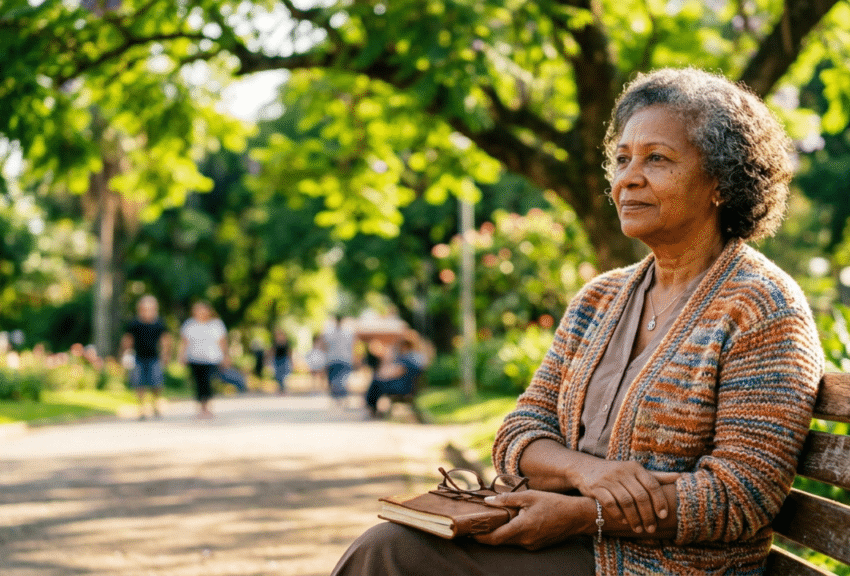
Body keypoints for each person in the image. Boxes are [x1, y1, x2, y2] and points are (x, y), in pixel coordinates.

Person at [331, 67, 824, 575]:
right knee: (387, 545)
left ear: (721, 181)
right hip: (569, 542)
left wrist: (586, 515)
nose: (629, 178)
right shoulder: (599, 298)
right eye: (622, 159)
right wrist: (585, 472)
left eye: (657, 159)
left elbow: (742, 492)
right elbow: (520, 432)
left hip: (667, 565)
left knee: (392, 558)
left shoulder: (761, 305)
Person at [120, 295, 171, 420]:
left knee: (156, 383)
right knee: (139, 383)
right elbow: (128, 339)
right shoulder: (134, 323)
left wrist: (165, 354)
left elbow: (165, 340)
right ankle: (142, 408)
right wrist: (124, 354)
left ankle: (155, 404)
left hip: (154, 357)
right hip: (138, 357)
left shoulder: (159, 323)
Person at [178, 301, 229, 419]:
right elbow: (184, 342)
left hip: (212, 359)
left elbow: (222, 342)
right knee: (198, 383)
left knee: (208, 382)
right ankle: (201, 408)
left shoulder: (216, 324)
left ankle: (207, 406)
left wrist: (226, 356)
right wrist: (181, 356)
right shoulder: (189, 324)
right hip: (194, 358)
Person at [364, 332, 429, 418]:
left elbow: (397, 372)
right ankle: (373, 408)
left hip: (402, 388)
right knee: (377, 382)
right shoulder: (419, 357)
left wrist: (384, 376)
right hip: (412, 387)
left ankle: (372, 408)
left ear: (404, 346)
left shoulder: (406, 358)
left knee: (376, 383)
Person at [323, 315, 357, 404]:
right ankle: (341, 398)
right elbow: (353, 346)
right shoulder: (348, 333)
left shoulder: (329, 333)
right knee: (342, 380)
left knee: (336, 380)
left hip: (334, 359)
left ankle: (337, 399)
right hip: (343, 359)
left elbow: (325, 345)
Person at [271, 328, 292, 395]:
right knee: (278, 375)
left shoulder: (286, 342)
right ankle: (280, 389)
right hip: (277, 359)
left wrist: (291, 360)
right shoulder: (275, 342)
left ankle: (282, 389)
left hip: (284, 359)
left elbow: (289, 352)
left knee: (283, 375)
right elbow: (273, 351)